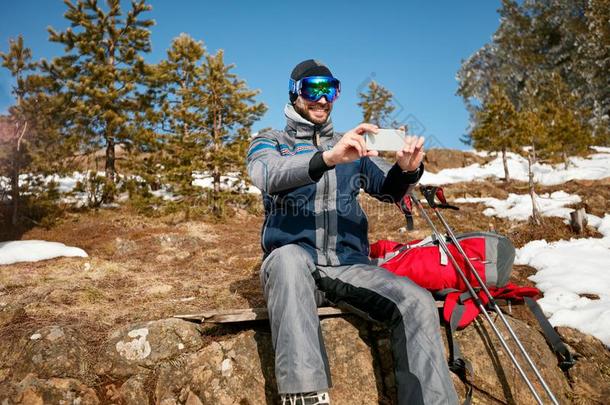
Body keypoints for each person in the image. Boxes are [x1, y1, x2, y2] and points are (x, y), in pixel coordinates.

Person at [246, 59, 458, 405]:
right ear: (295, 92)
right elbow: (268, 174)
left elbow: (389, 190)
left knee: (416, 301)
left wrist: (407, 170)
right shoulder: (271, 140)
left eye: (331, 90)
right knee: (285, 260)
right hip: (296, 266)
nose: (323, 98)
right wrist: (327, 158)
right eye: (313, 88)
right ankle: (305, 396)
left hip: (349, 266)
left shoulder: (354, 147)